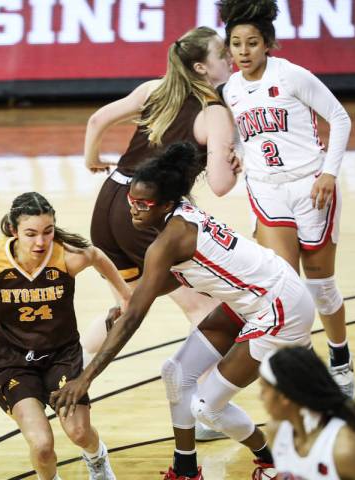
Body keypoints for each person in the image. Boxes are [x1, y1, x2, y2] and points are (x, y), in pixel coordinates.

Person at [51, 142, 315, 480]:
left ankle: (274, 462)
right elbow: (161, 283)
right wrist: (130, 299)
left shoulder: (168, 240)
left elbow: (136, 318)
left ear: (165, 204)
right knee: (176, 372)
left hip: (279, 306)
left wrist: (84, 379)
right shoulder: (177, 217)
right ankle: (186, 470)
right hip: (257, 295)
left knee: (207, 408)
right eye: (131, 201)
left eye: (143, 204)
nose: (134, 210)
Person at [0, 192, 129, 480]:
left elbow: (96, 255)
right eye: (31, 234)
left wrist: (125, 298)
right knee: (42, 446)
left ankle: (96, 458)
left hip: (61, 355)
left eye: (48, 232)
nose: (40, 242)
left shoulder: (66, 258)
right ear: (13, 230)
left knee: (79, 432)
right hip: (11, 360)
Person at [217, 0, 355, 397]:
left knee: (321, 286)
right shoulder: (230, 90)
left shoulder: (292, 75)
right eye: (236, 44)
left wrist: (329, 173)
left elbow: (341, 118)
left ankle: (340, 356)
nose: (243, 52)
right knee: (284, 290)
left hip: (310, 185)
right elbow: (247, 136)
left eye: (252, 43)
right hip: (265, 188)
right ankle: (302, 372)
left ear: (267, 45)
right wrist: (239, 153)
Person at [80, 26, 240, 358]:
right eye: (222, 53)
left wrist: (91, 159)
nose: (230, 57)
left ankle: (68, 368)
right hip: (144, 214)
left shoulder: (154, 89)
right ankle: (202, 398)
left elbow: (97, 120)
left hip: (109, 203)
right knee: (205, 308)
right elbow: (221, 186)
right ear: (201, 68)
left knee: (127, 307)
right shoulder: (213, 112)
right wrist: (236, 164)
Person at [258, 346, 355, 479]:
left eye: (263, 388)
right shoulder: (276, 431)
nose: (260, 396)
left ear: (284, 397)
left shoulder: (345, 451)